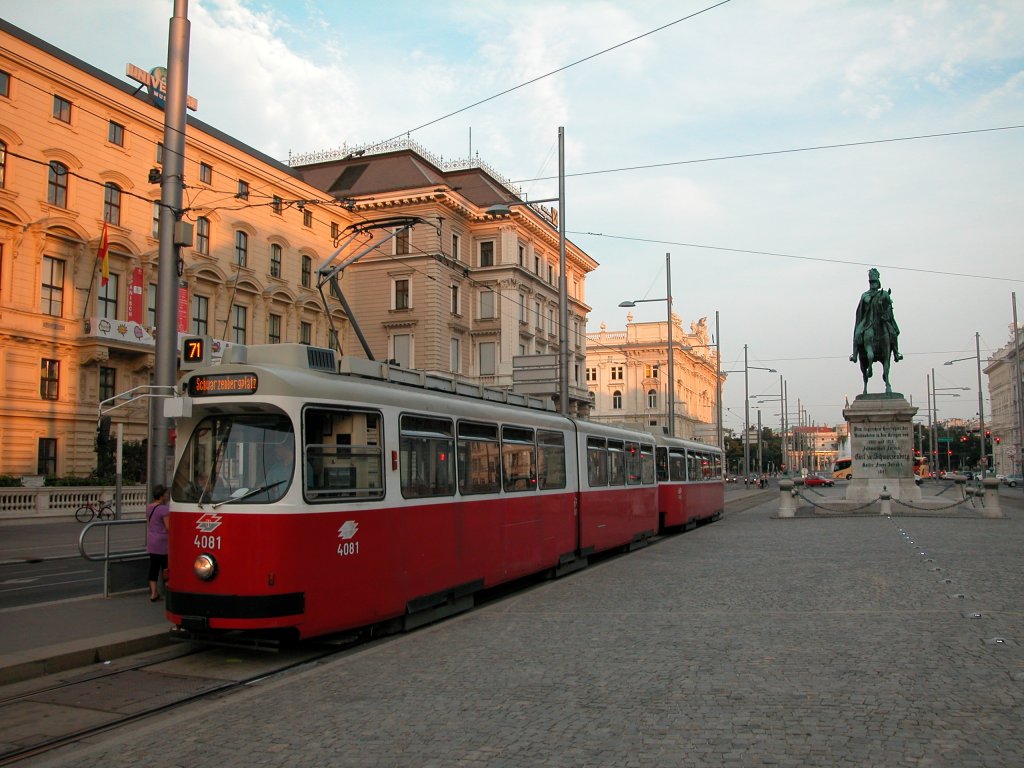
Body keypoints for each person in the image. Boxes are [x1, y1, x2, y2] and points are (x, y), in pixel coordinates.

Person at [850, 267, 903, 364]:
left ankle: (896, 352)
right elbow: (865, 302)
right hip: (867, 321)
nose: (873, 284)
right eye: (871, 282)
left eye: (875, 282)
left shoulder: (883, 294)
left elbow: (887, 305)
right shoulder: (865, 295)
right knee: (857, 333)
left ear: (878, 282)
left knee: (893, 333)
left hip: (882, 319)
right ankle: (854, 355)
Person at [146, 484, 170, 602]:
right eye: (165, 494)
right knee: (166, 567)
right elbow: (168, 527)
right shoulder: (164, 509)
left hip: (151, 540)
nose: (167, 495)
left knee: (153, 568)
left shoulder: (149, 507)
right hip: (163, 542)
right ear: (162, 495)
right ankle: (167, 589)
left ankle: (153, 593)